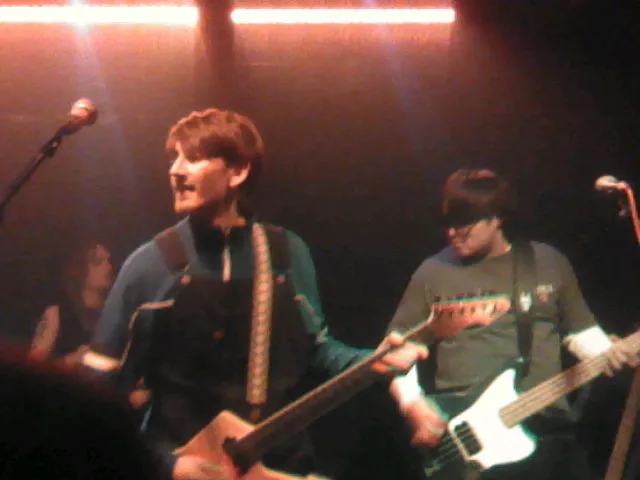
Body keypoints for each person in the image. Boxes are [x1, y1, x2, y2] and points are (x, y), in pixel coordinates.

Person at [80, 108, 427, 480]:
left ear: (238, 172)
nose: (175, 171)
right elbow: (96, 390)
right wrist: (167, 463)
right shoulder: (151, 265)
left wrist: (377, 362)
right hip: (186, 465)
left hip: (279, 465)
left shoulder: (285, 254)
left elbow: (318, 350)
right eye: (173, 158)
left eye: (192, 158)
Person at [385, 168, 639, 480]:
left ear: (497, 218)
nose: (452, 232)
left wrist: (609, 353)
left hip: (549, 431)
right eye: (448, 223)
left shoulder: (546, 261)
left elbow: (579, 332)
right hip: (466, 440)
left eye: (465, 223)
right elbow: (395, 353)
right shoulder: (433, 272)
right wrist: (413, 406)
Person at [29, 240, 114, 366]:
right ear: (80, 269)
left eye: (109, 261)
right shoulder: (56, 315)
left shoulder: (112, 316)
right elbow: (33, 367)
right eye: (98, 262)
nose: (108, 267)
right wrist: (70, 361)